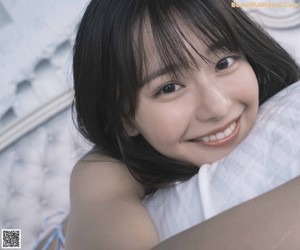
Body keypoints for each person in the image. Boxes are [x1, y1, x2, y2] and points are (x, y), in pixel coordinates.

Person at [65, 0, 300, 249]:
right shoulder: (102, 169)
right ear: (125, 117)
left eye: (224, 63)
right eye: (169, 88)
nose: (217, 107)